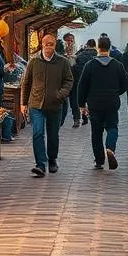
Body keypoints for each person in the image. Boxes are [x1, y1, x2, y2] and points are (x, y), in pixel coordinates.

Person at [20, 33, 73, 178]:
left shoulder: (62, 62)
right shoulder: (34, 61)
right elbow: (26, 82)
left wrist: (60, 94)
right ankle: (40, 164)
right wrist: (23, 103)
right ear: (42, 45)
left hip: (55, 105)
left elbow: (69, 81)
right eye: (46, 44)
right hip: (36, 103)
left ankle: (52, 159)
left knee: (53, 134)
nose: (49, 47)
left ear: (55, 45)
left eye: (52, 44)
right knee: (38, 133)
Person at [77, 37, 128, 171]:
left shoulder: (90, 65)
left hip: (94, 103)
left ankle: (99, 161)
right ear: (109, 48)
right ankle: (110, 148)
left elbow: (82, 86)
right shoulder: (117, 65)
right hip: (112, 102)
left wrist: (81, 104)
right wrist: (116, 92)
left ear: (98, 48)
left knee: (96, 132)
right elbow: (126, 83)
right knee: (112, 127)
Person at [71, 39, 98, 128]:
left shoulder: (80, 55)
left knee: (77, 100)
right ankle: (90, 117)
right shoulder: (97, 56)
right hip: (92, 82)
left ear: (87, 45)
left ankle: (77, 119)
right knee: (90, 100)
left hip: (78, 80)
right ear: (95, 46)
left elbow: (73, 64)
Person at [60, 33, 78, 128]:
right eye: (68, 40)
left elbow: (76, 62)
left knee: (74, 100)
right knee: (64, 100)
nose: (70, 42)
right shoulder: (61, 49)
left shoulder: (77, 50)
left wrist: (73, 56)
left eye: (71, 40)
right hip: (64, 78)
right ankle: (61, 120)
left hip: (74, 77)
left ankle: (76, 119)